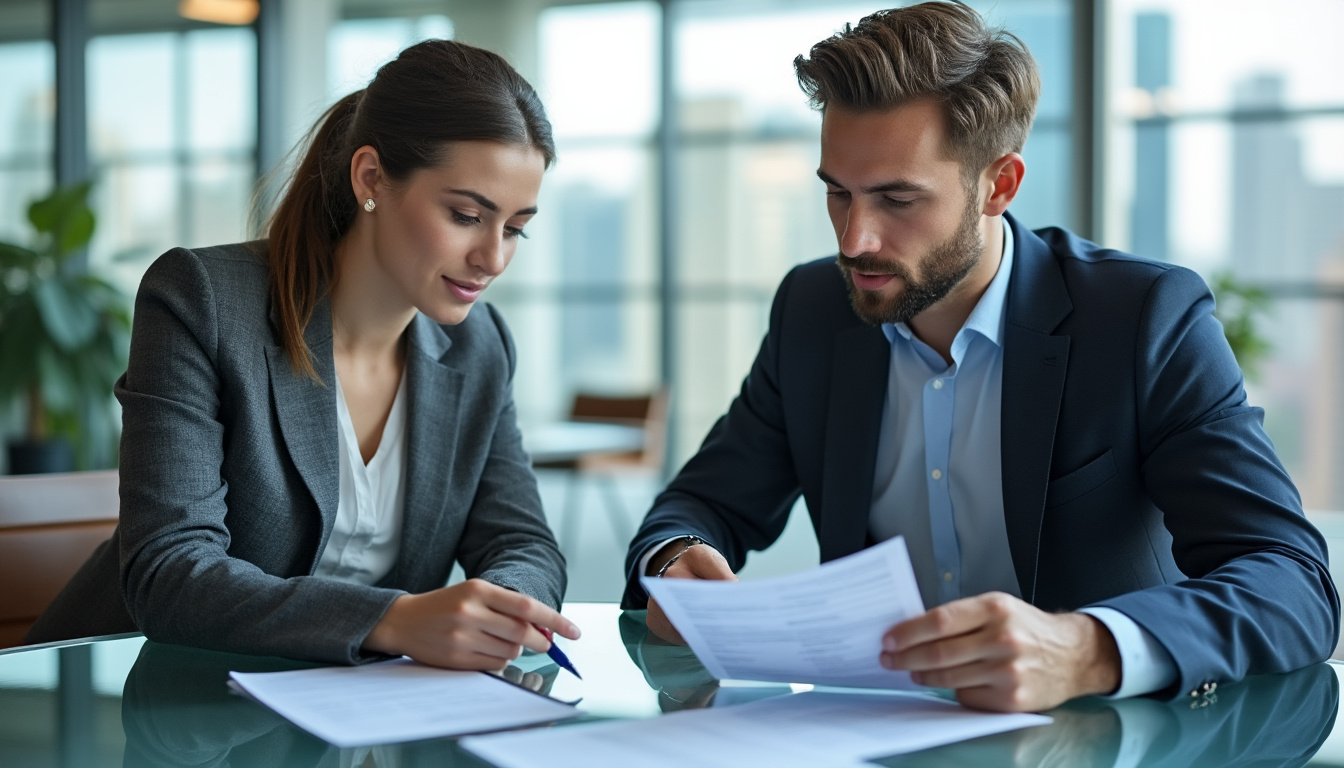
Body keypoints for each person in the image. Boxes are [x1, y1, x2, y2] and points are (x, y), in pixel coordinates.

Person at [623, 2, 1339, 712]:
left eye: (897, 199)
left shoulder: (1142, 318)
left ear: (998, 185)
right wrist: (675, 559)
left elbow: (1292, 581)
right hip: (868, 734)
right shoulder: (812, 311)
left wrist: (1085, 648)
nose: (854, 239)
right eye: (838, 193)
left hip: (1105, 739)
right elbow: (700, 505)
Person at [27, 39, 580, 671]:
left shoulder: (480, 347)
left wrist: (500, 607)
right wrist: (394, 620)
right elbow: (171, 572)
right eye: (465, 215)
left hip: (342, 704)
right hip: (142, 691)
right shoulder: (203, 302)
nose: (494, 258)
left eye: (515, 228)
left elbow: (524, 542)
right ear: (370, 178)